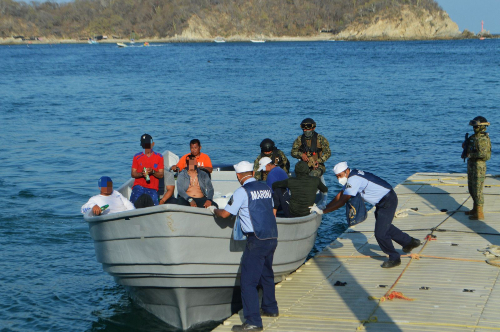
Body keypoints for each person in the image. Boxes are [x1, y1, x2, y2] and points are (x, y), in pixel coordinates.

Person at [208, 161, 278, 332]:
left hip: (256, 239)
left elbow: (226, 214)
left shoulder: (242, 191)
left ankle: (253, 321)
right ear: (253, 172)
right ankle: (270, 308)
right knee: (267, 274)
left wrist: (213, 209)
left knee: (248, 282)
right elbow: (273, 210)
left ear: (238, 176)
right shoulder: (266, 188)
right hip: (272, 236)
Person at [311, 162, 421, 268]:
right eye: (336, 176)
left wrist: (323, 212)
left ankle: (394, 258)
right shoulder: (352, 175)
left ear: (346, 171)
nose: (338, 179)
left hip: (388, 200)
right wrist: (324, 207)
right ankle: (410, 242)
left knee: (380, 234)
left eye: (339, 175)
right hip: (383, 200)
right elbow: (340, 194)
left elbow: (343, 201)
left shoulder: (354, 179)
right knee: (385, 227)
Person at [462, 116, 491, 220]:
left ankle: (479, 213)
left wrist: (470, 155)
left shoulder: (482, 138)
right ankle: (475, 209)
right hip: (472, 165)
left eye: (476, 126)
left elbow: (482, 154)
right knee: (472, 188)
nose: (474, 128)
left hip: (479, 166)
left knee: (478, 189)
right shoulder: (474, 137)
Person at [130, 134, 164, 207]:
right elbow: (133, 174)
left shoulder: (159, 157)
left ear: (152, 144)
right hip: (138, 187)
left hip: (152, 188)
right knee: (133, 206)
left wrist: (152, 172)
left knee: (153, 206)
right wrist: (142, 174)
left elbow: (161, 175)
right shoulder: (136, 156)